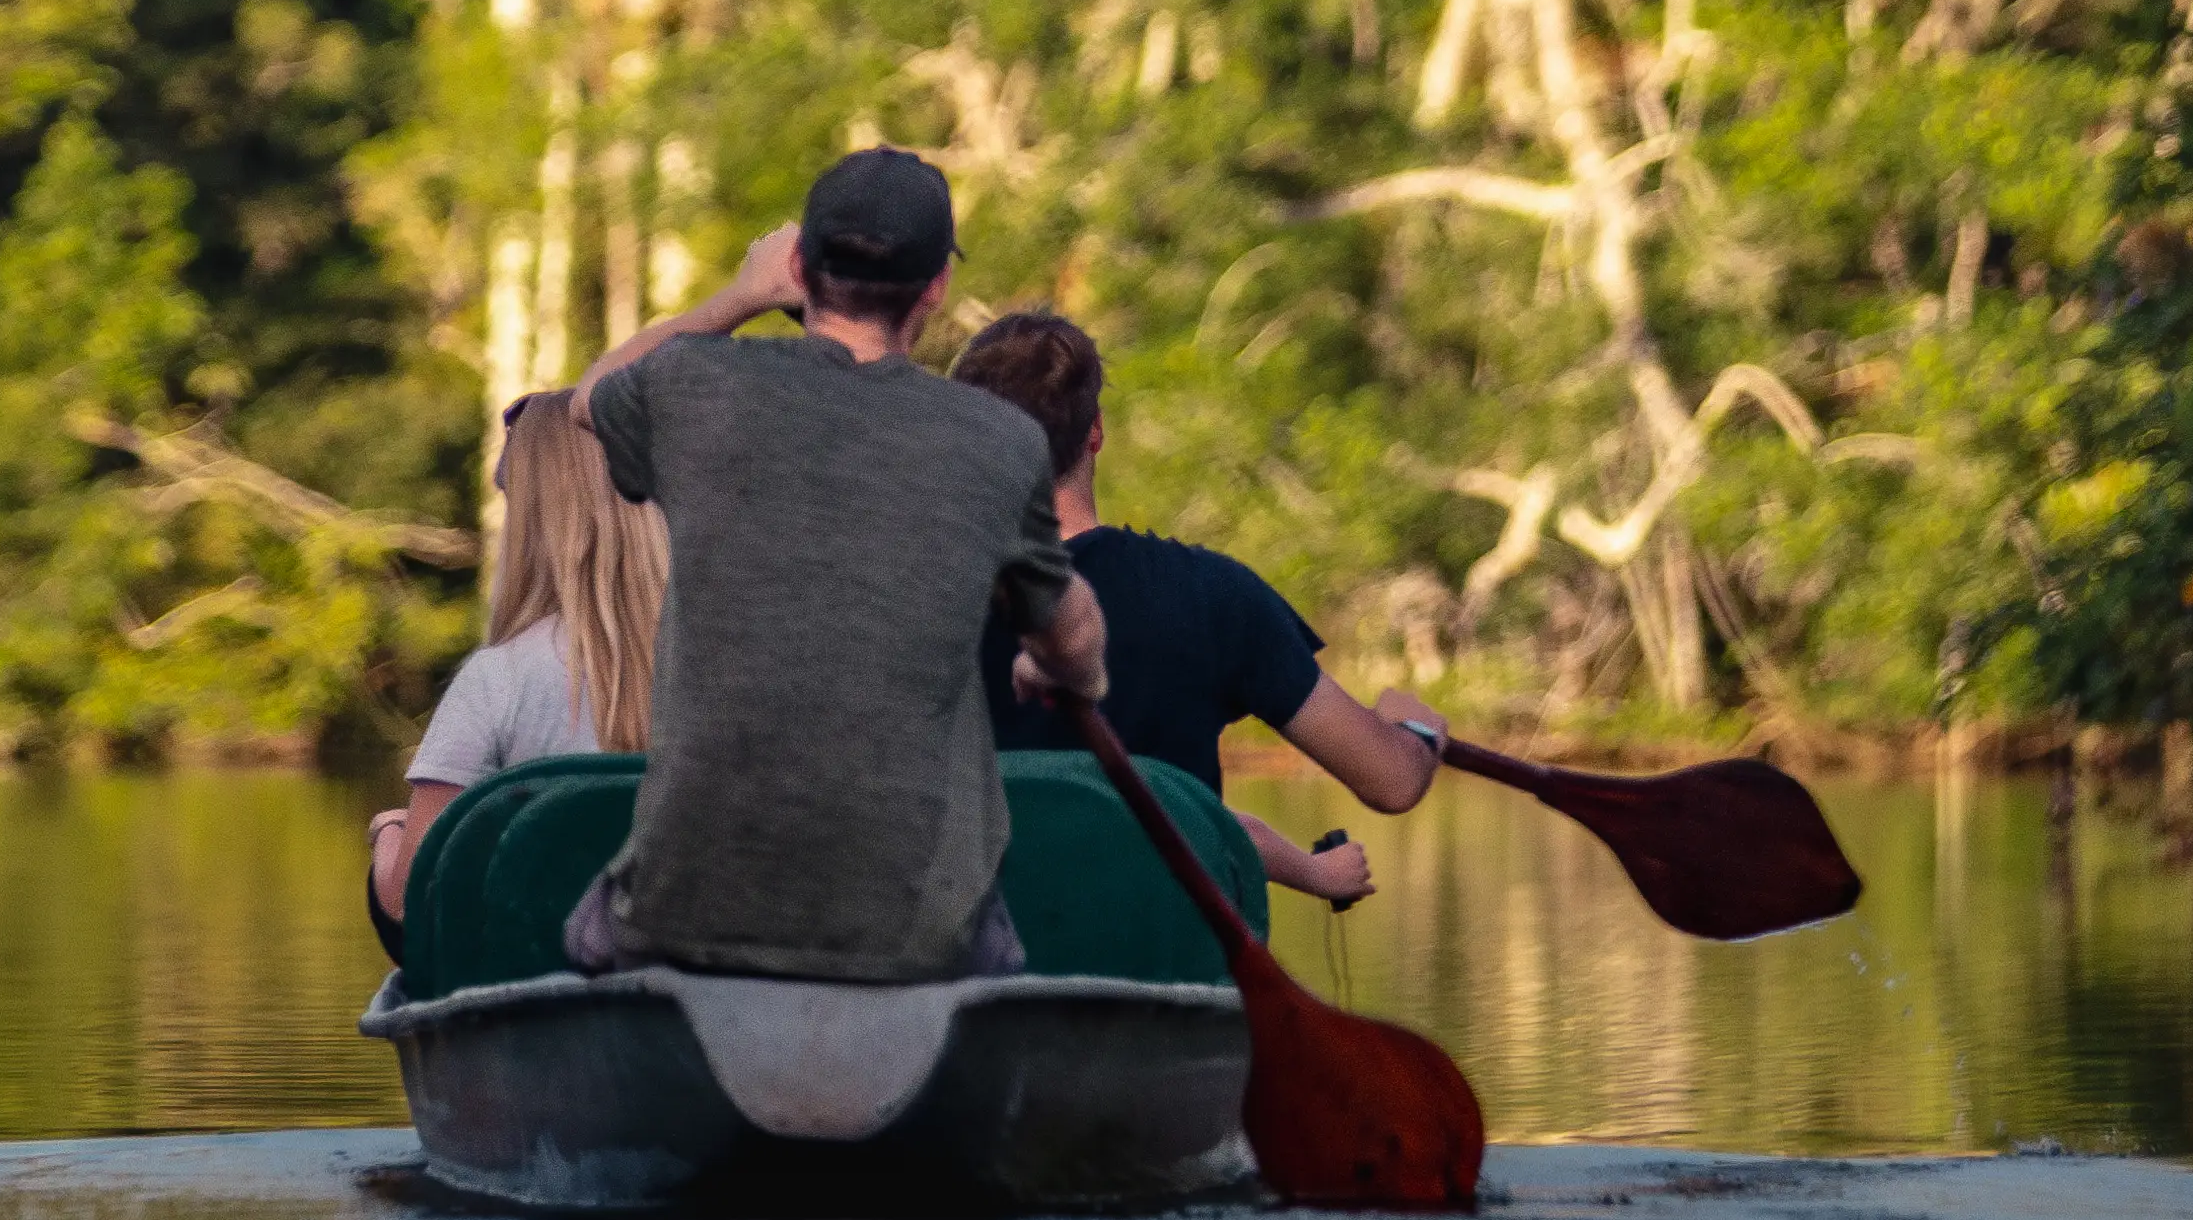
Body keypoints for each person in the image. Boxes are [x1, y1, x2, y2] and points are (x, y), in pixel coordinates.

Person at [560, 143, 1109, 982]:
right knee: (997, 936)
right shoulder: (999, 440)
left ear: (800, 265)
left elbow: (590, 396)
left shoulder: (692, 387)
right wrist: (1067, 665)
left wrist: (741, 296)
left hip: (681, 912)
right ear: (936, 288)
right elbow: (1069, 632)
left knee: (584, 935)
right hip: (913, 939)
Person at [947, 307, 1441, 909]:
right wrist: (1416, 731)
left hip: (983, 960)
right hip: (1171, 960)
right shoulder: (1215, 596)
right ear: (1095, 430)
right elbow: (1391, 780)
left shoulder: (917, 603)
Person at [369, 393, 663, 926]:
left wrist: (387, 833)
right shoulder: (723, 669)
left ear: (532, 518)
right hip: (674, 966)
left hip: (532, 968)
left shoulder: (499, 680)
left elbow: (409, 896)